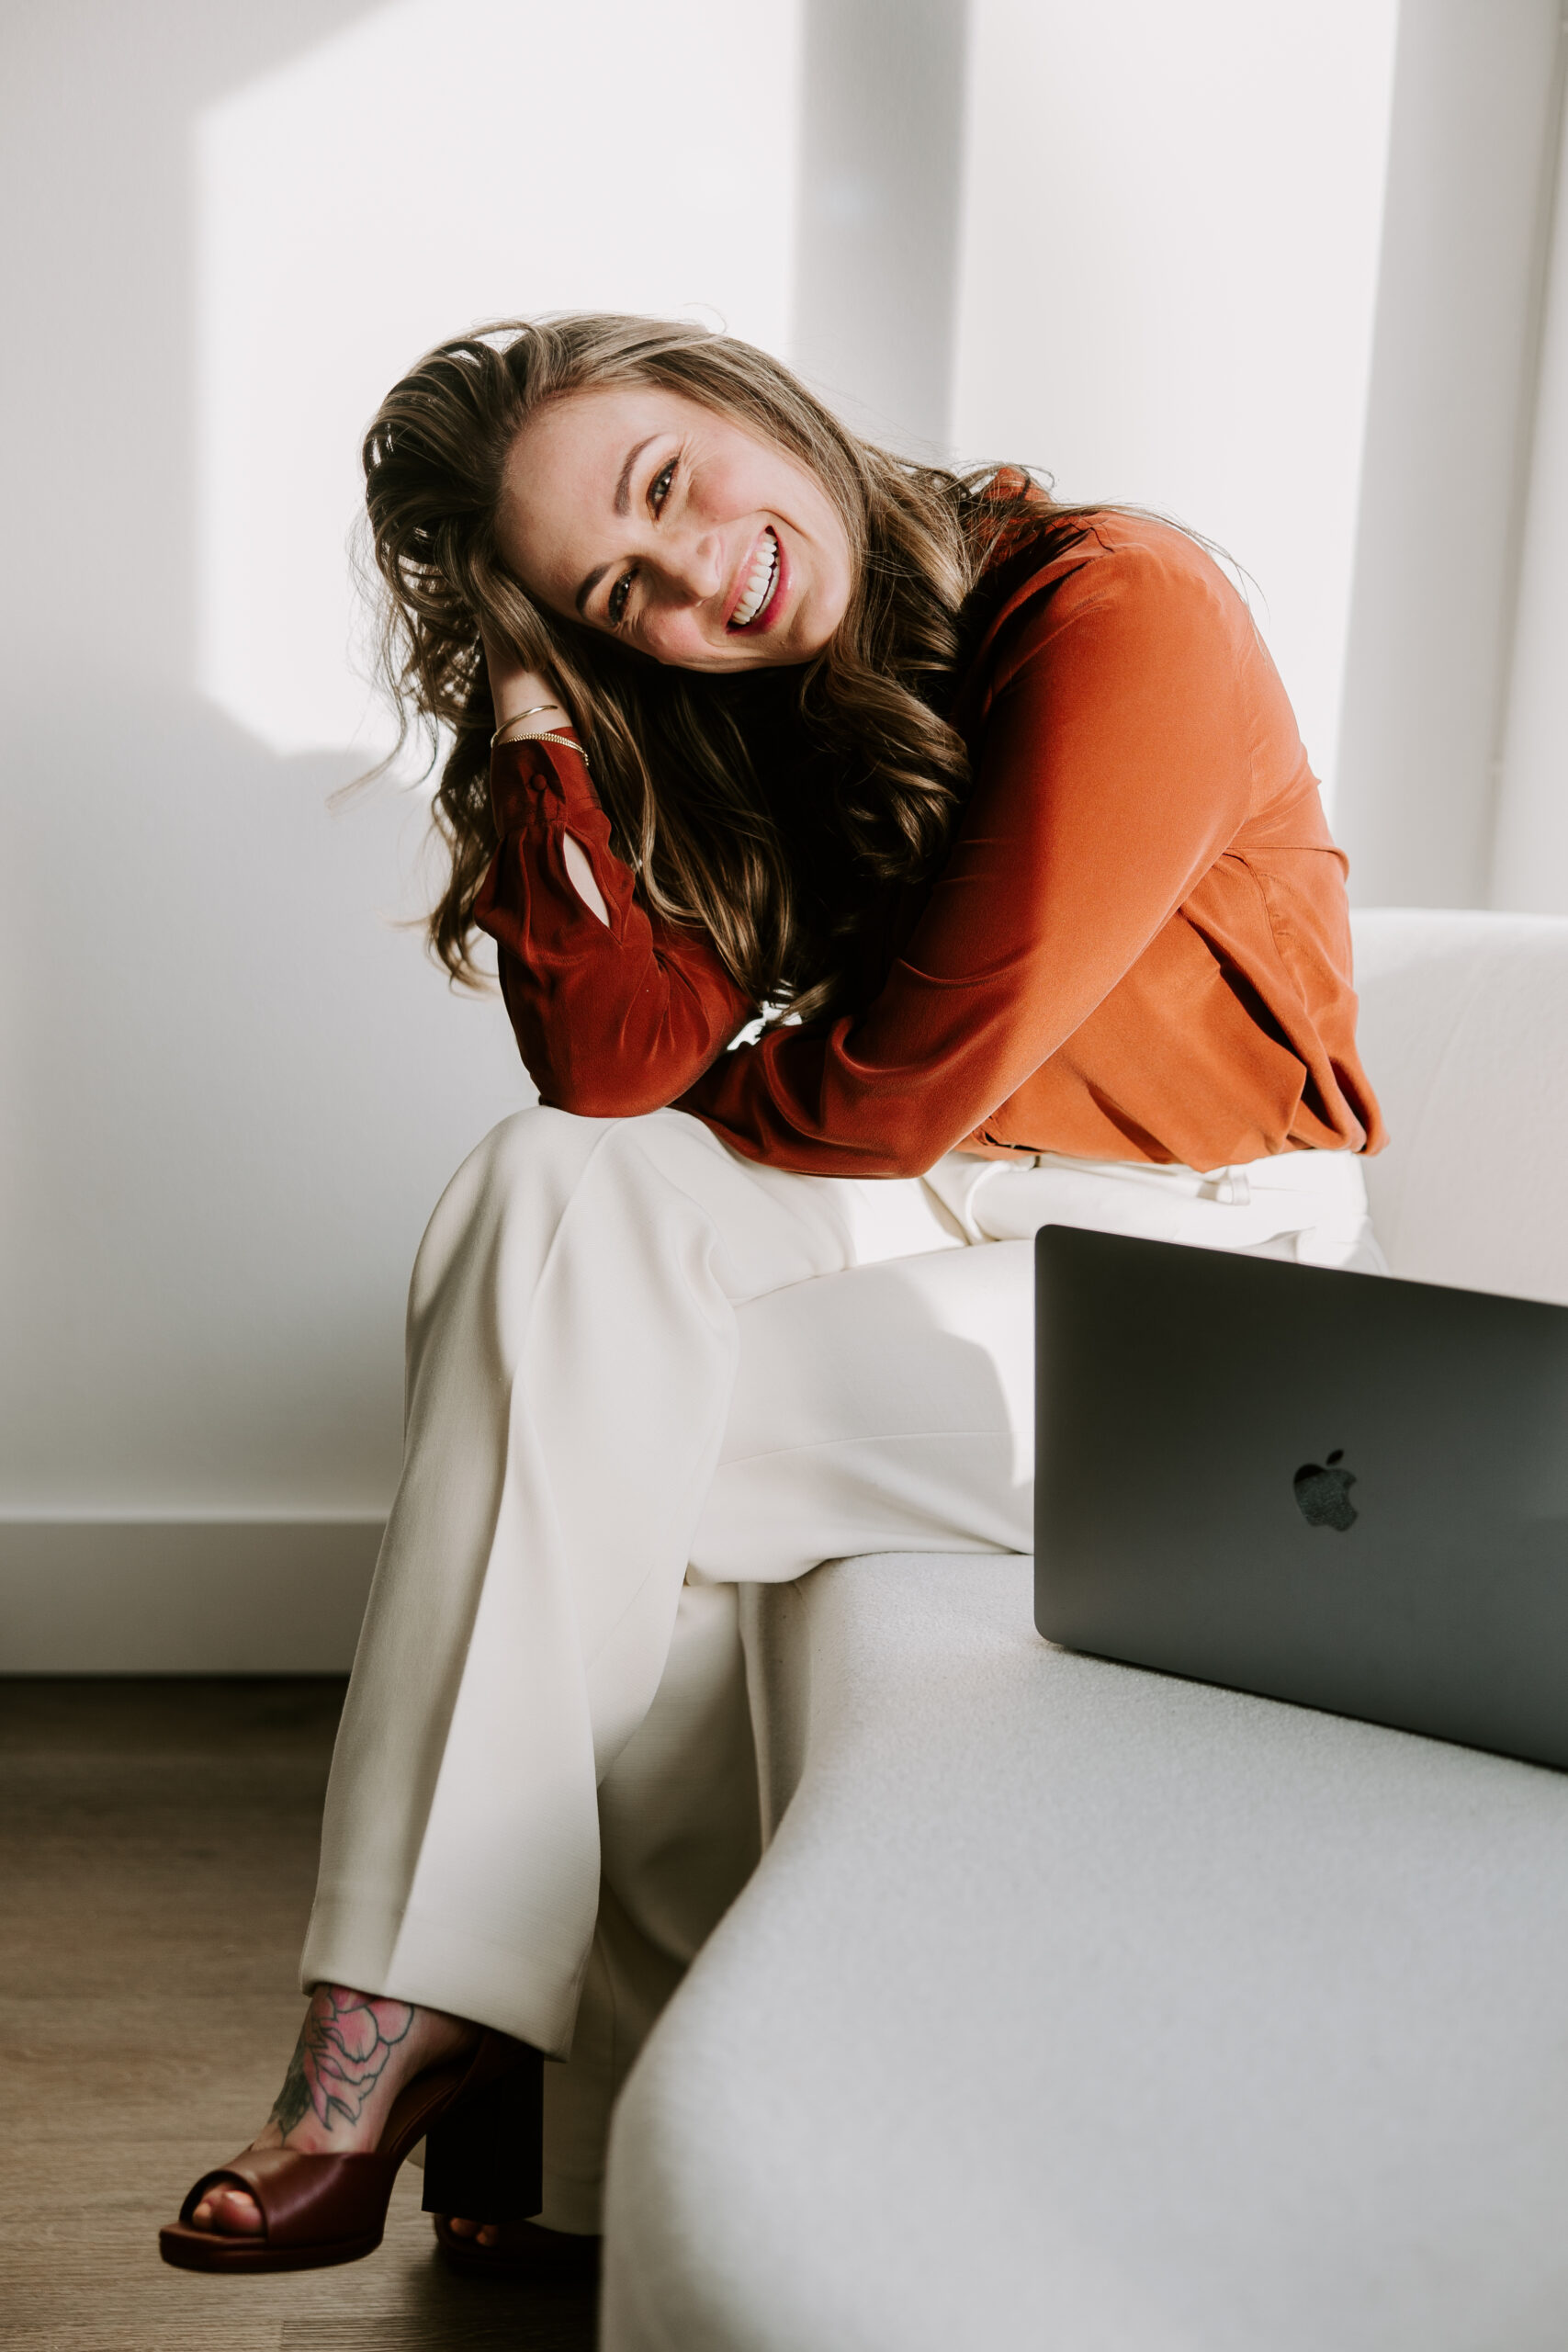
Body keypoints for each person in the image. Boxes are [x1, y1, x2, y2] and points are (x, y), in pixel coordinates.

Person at [160, 313, 1385, 2277]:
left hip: (1197, 1278)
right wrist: (540, 717)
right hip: (924, 1213)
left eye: (663, 484)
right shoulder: (747, 687)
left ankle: (429, 2033)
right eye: (613, 592)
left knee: (581, 1401)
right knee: (555, 1204)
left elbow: (896, 1082)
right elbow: (609, 1075)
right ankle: (493, 2081)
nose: (688, 576)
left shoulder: (1118, 605)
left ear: (734, 392)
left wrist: (733, 1115)